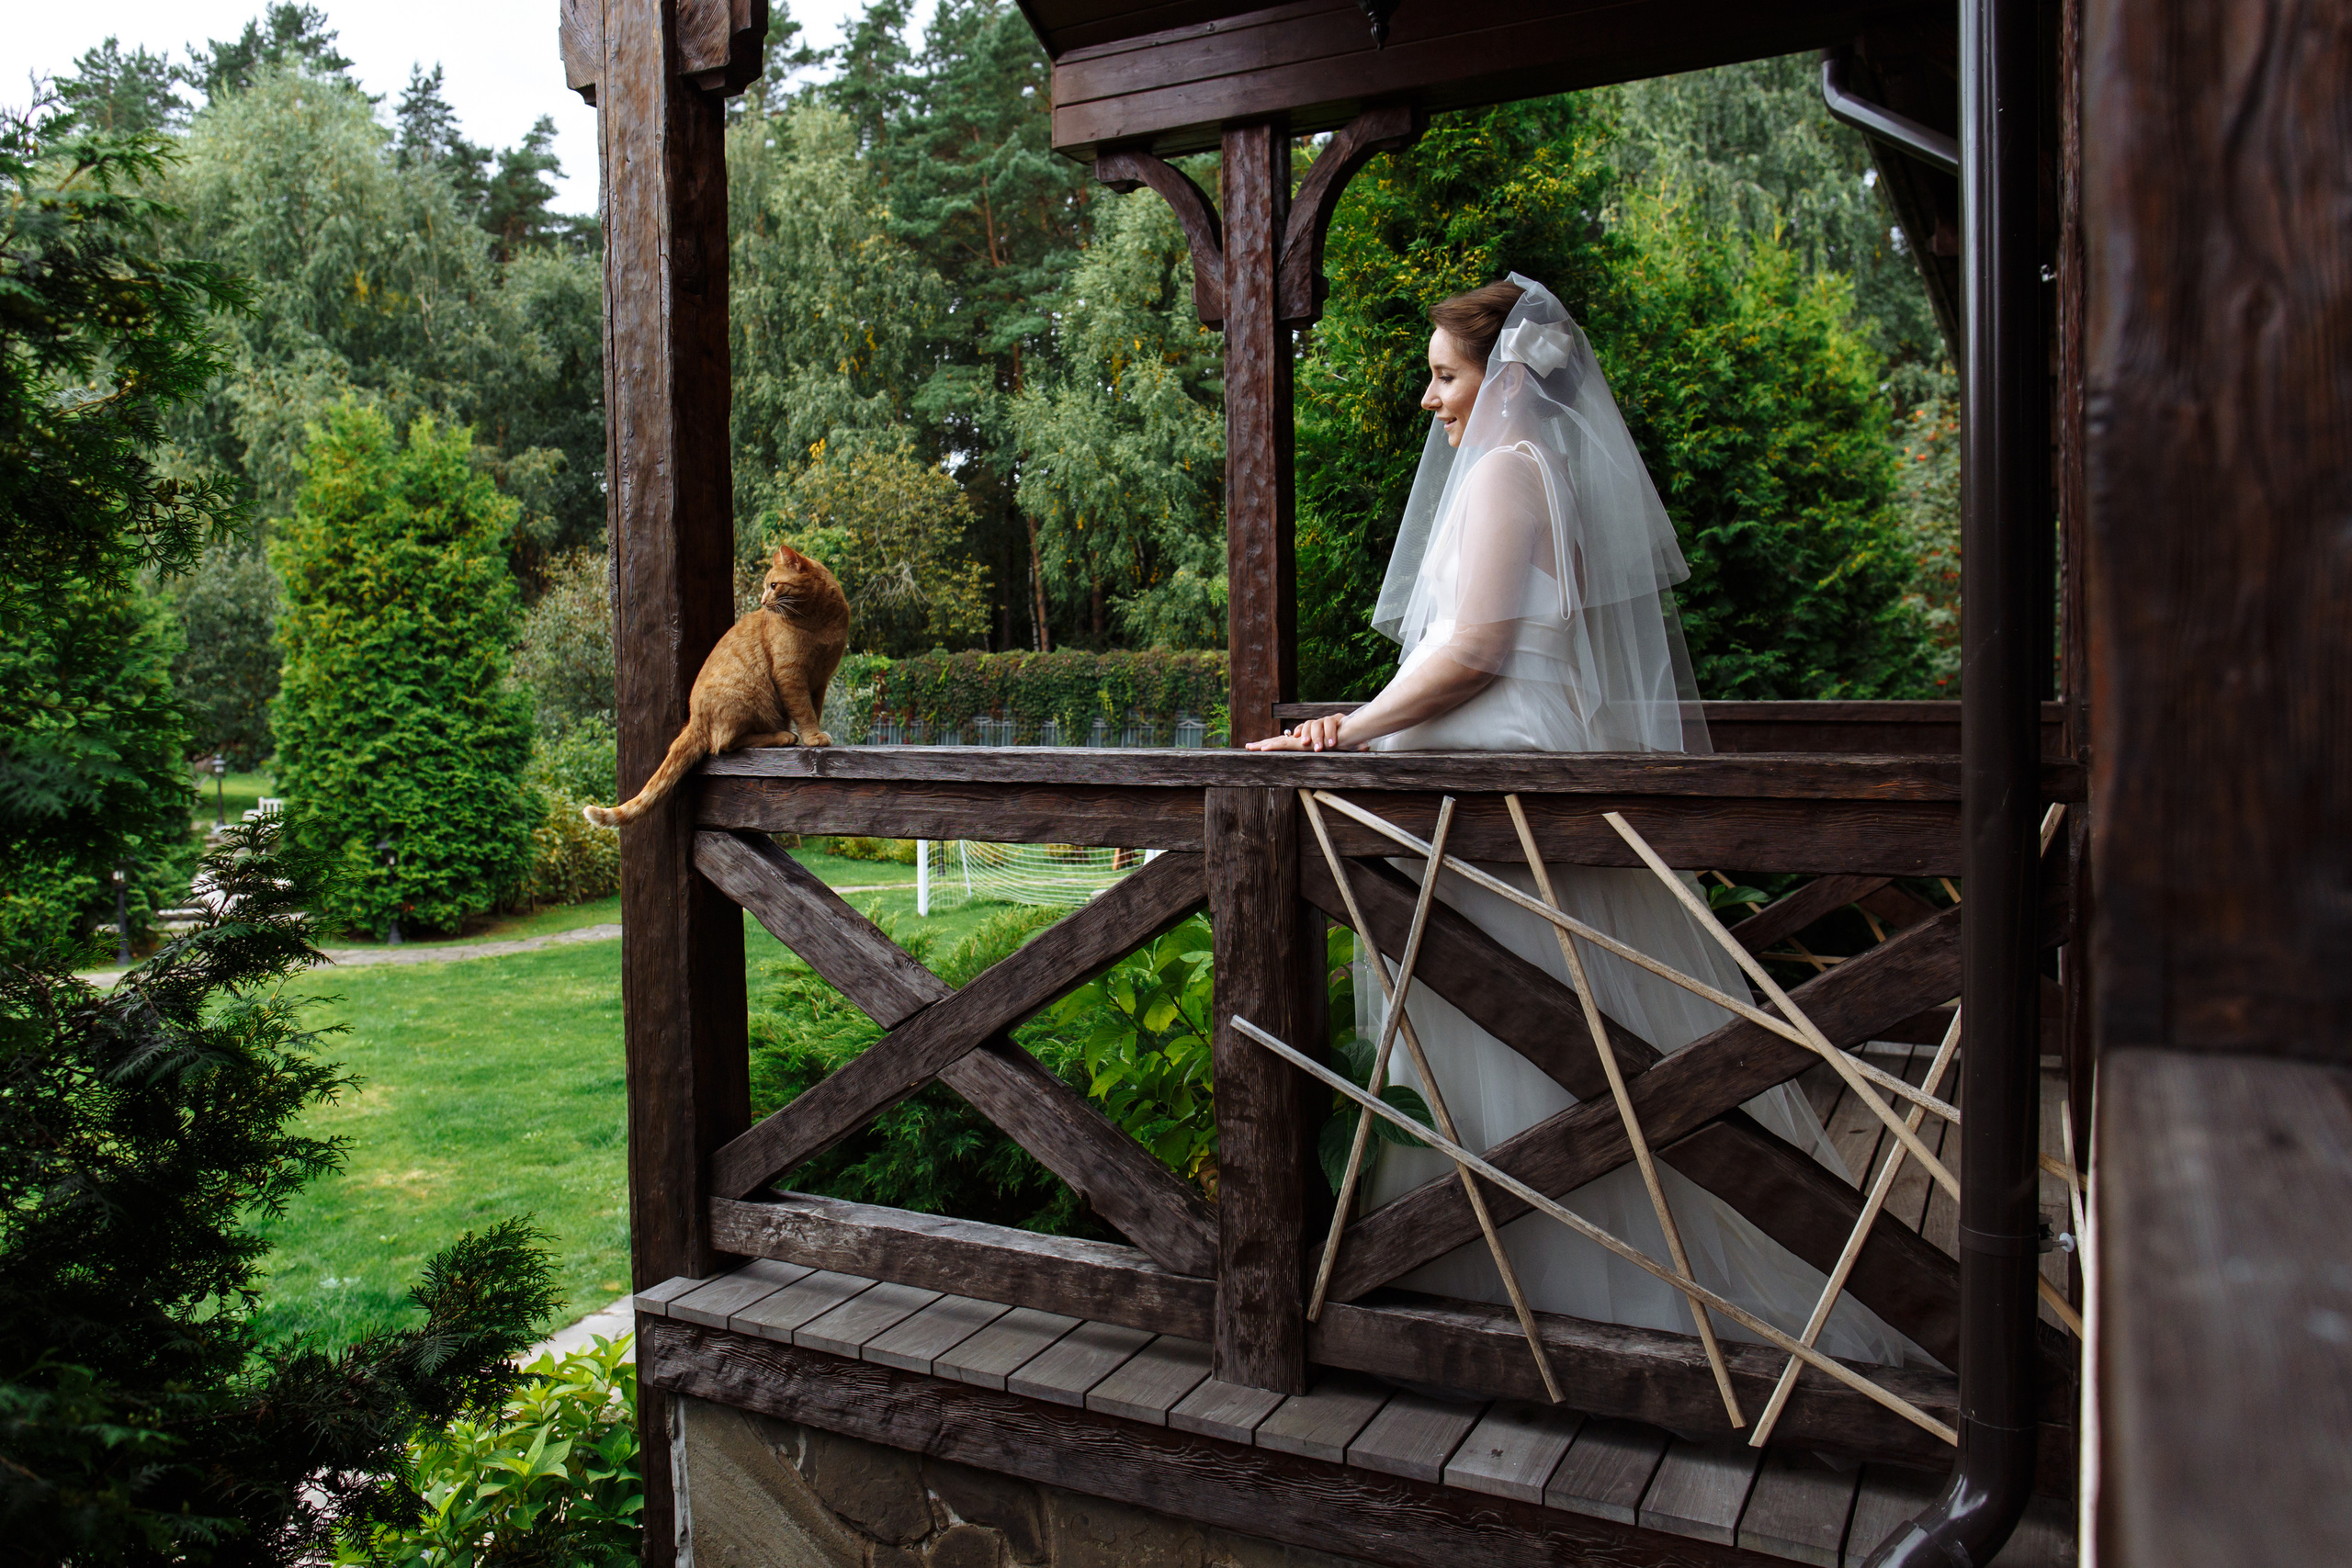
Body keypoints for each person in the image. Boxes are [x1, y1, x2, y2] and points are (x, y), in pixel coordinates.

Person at [1249, 276, 1919, 1366]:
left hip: (1501, 806)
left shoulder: (1508, 474)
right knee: (1530, 1030)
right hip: (1487, 798)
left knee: (1531, 1033)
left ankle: (1550, 1303)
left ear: (1503, 375)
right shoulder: (1525, 471)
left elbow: (1471, 657)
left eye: (1444, 376)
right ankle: (1489, 1282)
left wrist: (1346, 732)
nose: (1431, 401)